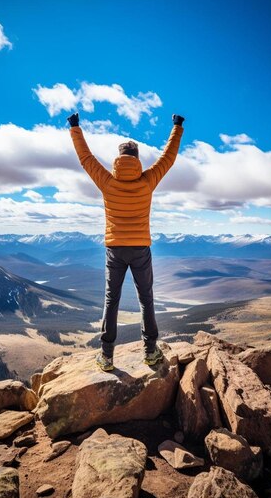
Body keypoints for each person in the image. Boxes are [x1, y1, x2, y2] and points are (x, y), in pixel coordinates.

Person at [67, 112, 184, 371]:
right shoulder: (147, 181)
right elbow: (168, 158)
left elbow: (85, 158)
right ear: (137, 160)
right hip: (141, 249)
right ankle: (150, 353)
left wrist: (75, 127)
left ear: (118, 159)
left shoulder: (107, 182)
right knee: (146, 299)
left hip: (115, 250)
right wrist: (177, 126)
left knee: (112, 301)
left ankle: (107, 356)